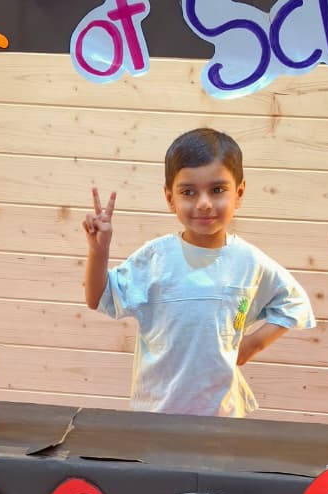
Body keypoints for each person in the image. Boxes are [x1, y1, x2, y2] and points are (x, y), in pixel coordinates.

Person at [82, 127, 315, 416]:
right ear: (170, 198)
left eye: (217, 190)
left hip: (222, 416)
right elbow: (98, 297)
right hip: (157, 413)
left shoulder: (248, 261)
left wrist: (252, 344)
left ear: (239, 193)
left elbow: (294, 302)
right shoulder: (154, 258)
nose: (204, 203)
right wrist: (99, 251)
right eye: (189, 192)